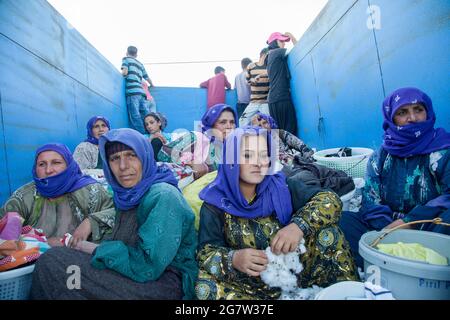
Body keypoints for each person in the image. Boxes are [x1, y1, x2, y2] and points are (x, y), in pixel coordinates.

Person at [30, 128, 198, 300]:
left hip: (162, 285)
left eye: (132, 155)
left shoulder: (163, 195)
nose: (123, 166)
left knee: (54, 263)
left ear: (145, 156)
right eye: (115, 158)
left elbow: (147, 267)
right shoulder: (128, 194)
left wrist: (90, 248)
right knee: (68, 278)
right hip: (132, 273)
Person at [195, 127, 358, 300]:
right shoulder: (216, 204)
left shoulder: (282, 187)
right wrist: (234, 258)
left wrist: (298, 226)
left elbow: (330, 200)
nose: (258, 163)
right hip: (249, 288)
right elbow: (205, 252)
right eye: (248, 155)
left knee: (328, 233)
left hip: (297, 274)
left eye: (264, 155)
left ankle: (341, 294)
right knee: (205, 288)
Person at [339, 87, 450, 268]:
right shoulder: (381, 157)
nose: (412, 118)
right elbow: (370, 200)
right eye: (403, 112)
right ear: (391, 118)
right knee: (342, 220)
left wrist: (408, 223)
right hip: (385, 230)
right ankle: (385, 263)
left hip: (429, 228)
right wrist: (388, 233)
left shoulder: (444, 150)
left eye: (418, 110)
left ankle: (410, 268)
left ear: (428, 112)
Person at [0, 143, 115, 247]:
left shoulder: (92, 191)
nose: (48, 170)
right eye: (42, 164)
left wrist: (91, 222)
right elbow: (6, 224)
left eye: (56, 162)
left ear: (69, 165)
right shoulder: (24, 196)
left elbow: (120, 214)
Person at [250, 112, 315, 166]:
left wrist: (307, 158)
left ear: (270, 123)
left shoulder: (280, 133)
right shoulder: (256, 144)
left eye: (265, 123)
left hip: (297, 163)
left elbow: (301, 145)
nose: (263, 127)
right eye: (259, 126)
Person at [266, 32, 298, 135]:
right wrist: (291, 35)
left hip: (273, 100)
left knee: (279, 134)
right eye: (281, 41)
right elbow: (298, 48)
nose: (284, 43)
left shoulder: (269, 56)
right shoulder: (278, 52)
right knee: (290, 131)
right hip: (281, 98)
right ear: (275, 42)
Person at [121, 46, 154, 134]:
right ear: (136, 55)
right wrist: (152, 84)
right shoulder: (140, 64)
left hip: (132, 92)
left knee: (135, 115)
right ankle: (151, 131)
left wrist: (123, 74)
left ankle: (143, 134)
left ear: (127, 52)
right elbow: (147, 77)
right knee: (146, 114)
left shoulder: (126, 59)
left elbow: (125, 72)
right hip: (142, 93)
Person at [239, 48, 271, 127]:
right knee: (242, 120)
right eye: (268, 56)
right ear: (263, 55)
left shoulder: (269, 67)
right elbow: (247, 81)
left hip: (265, 103)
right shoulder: (251, 66)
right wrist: (253, 80)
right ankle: (245, 138)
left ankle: (269, 139)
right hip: (254, 102)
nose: (269, 58)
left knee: (269, 123)